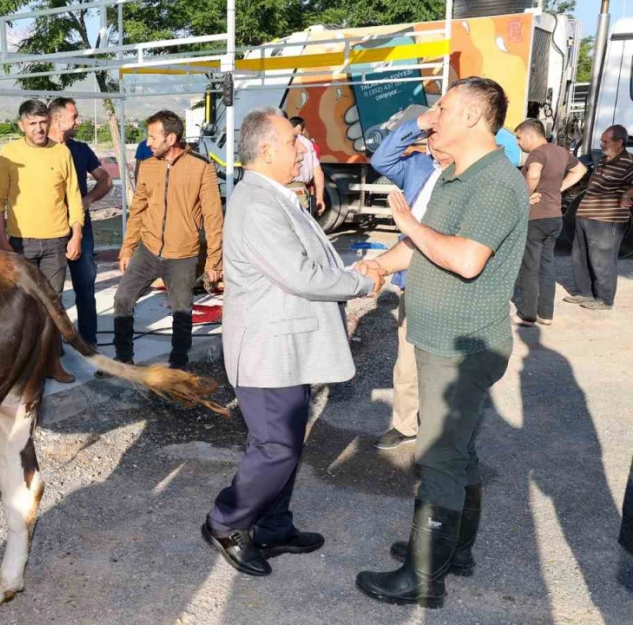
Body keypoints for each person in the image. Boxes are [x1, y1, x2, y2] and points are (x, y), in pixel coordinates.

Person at [353, 77, 529, 608]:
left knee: (440, 457)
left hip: (459, 346)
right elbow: (422, 248)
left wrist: (407, 220)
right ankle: (455, 551)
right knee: (459, 450)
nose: (432, 117)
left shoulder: (495, 182)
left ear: (475, 118)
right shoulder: (456, 175)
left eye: (443, 109)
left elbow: (466, 258)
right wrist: (382, 262)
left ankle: (424, 576)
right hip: (440, 338)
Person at [203, 107, 381, 577]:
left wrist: (348, 273)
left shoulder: (275, 195)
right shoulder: (257, 201)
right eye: (291, 142)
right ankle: (226, 521)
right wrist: (360, 283)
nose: (301, 147)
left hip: (286, 352)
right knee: (275, 448)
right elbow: (301, 275)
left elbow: (310, 260)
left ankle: (274, 526)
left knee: (287, 445)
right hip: (267, 354)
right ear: (265, 151)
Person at [369, 107, 453, 451]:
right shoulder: (419, 165)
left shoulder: (474, 173)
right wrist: (418, 124)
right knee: (407, 361)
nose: (435, 141)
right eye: (431, 136)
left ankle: (443, 428)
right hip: (414, 276)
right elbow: (381, 159)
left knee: (446, 366)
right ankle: (405, 425)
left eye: (439, 132)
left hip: (451, 282)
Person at [115, 110, 223, 370]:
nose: (148, 142)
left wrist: (214, 261)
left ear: (171, 137)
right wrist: (127, 247)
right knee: (122, 299)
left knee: (182, 312)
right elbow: (138, 209)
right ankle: (123, 359)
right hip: (147, 250)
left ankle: (178, 367)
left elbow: (213, 216)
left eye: (153, 137)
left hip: (182, 256)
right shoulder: (148, 165)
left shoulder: (201, 167)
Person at [0, 99, 84, 382]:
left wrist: (76, 234)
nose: (39, 128)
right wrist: (2, 242)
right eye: (32, 124)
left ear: (50, 122)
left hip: (57, 241)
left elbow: (74, 197)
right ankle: (24, 367)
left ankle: (52, 363)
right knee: (23, 305)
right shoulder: (9, 154)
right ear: (22, 125)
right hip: (21, 243)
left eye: (43, 122)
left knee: (52, 304)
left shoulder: (61, 153)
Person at [48, 97, 113, 346]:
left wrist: (86, 201)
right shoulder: (40, 151)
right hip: (48, 232)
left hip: (80, 230)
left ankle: (88, 341)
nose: (78, 120)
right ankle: (52, 346)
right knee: (51, 292)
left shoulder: (80, 150)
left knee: (85, 287)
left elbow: (105, 180)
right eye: (74, 116)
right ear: (57, 119)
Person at [513, 119, 588, 325]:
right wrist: (558, 189)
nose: (518, 143)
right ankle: (546, 314)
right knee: (547, 265)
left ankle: (527, 314)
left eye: (518, 138)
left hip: (535, 217)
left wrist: (525, 196)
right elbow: (581, 170)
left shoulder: (537, 153)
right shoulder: (561, 151)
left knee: (530, 265)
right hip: (555, 217)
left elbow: (534, 174)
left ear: (530, 135)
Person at [564, 124, 633, 311]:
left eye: (606, 141)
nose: (601, 144)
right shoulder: (603, 160)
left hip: (607, 219)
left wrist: (626, 196)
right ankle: (584, 292)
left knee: (602, 259)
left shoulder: (629, 161)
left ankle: (604, 299)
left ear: (619, 142)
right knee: (581, 256)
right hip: (586, 215)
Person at [290, 117, 326, 215]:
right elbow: (318, 173)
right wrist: (319, 198)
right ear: (304, 130)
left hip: (279, 189)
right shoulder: (309, 144)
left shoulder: (276, 140)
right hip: (300, 191)